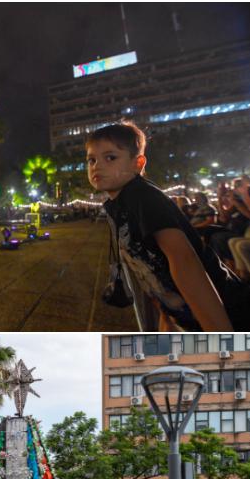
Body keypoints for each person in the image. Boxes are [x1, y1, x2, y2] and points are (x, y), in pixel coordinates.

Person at [86, 122, 232, 331]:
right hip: (186, 318)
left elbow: (184, 261)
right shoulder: (121, 204)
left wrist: (221, 336)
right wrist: (166, 315)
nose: (96, 166)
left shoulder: (143, 197)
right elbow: (148, 266)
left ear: (138, 163)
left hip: (228, 314)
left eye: (110, 157)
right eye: (91, 159)